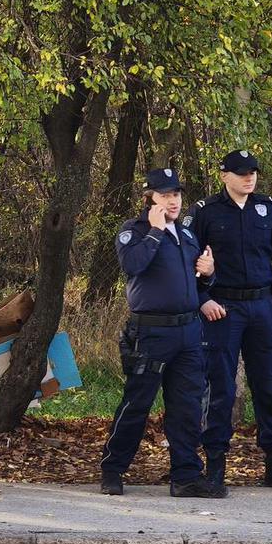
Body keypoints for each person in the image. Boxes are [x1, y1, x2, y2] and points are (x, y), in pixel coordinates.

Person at [100, 168, 222, 498]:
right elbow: (132, 266)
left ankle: (185, 476)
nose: (173, 200)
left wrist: (208, 275)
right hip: (151, 333)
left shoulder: (187, 234)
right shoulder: (134, 231)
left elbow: (193, 286)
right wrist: (154, 232)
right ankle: (113, 469)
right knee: (137, 403)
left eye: (177, 194)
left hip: (187, 332)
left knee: (186, 407)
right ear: (150, 198)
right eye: (165, 194)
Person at [188, 149, 272, 492]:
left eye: (253, 171)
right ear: (224, 175)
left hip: (262, 308)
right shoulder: (205, 212)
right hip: (222, 309)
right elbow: (187, 259)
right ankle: (215, 464)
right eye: (241, 172)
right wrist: (202, 299)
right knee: (221, 387)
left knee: (268, 385)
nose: (249, 177)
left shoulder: (268, 209)